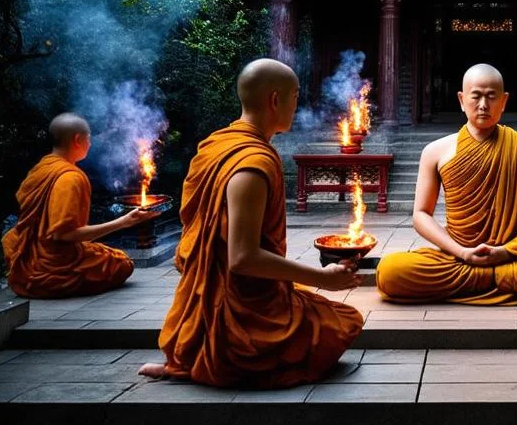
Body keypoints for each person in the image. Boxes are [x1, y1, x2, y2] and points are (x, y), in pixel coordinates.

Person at [140, 59, 363, 387]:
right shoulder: (251, 164)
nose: (296, 105)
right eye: (295, 97)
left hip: (215, 300)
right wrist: (321, 278)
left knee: (314, 305)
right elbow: (242, 258)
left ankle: (194, 352)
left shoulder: (216, 146)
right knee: (345, 320)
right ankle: (220, 357)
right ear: (275, 100)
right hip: (243, 312)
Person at [376, 63, 517, 305]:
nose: (483, 105)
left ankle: (481, 278)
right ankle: (498, 279)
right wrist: (462, 252)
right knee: (390, 271)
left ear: (504, 101)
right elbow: (421, 215)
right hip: (458, 258)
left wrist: (505, 252)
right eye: (476, 96)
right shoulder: (435, 151)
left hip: (513, 258)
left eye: (491, 97)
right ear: (462, 100)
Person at [3, 113, 154, 298]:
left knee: (107, 253)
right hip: (52, 265)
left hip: (26, 258)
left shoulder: (41, 168)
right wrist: (123, 222)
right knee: (123, 263)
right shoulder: (70, 177)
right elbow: (63, 234)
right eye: (88, 138)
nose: (90, 144)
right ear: (78, 139)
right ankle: (53, 283)